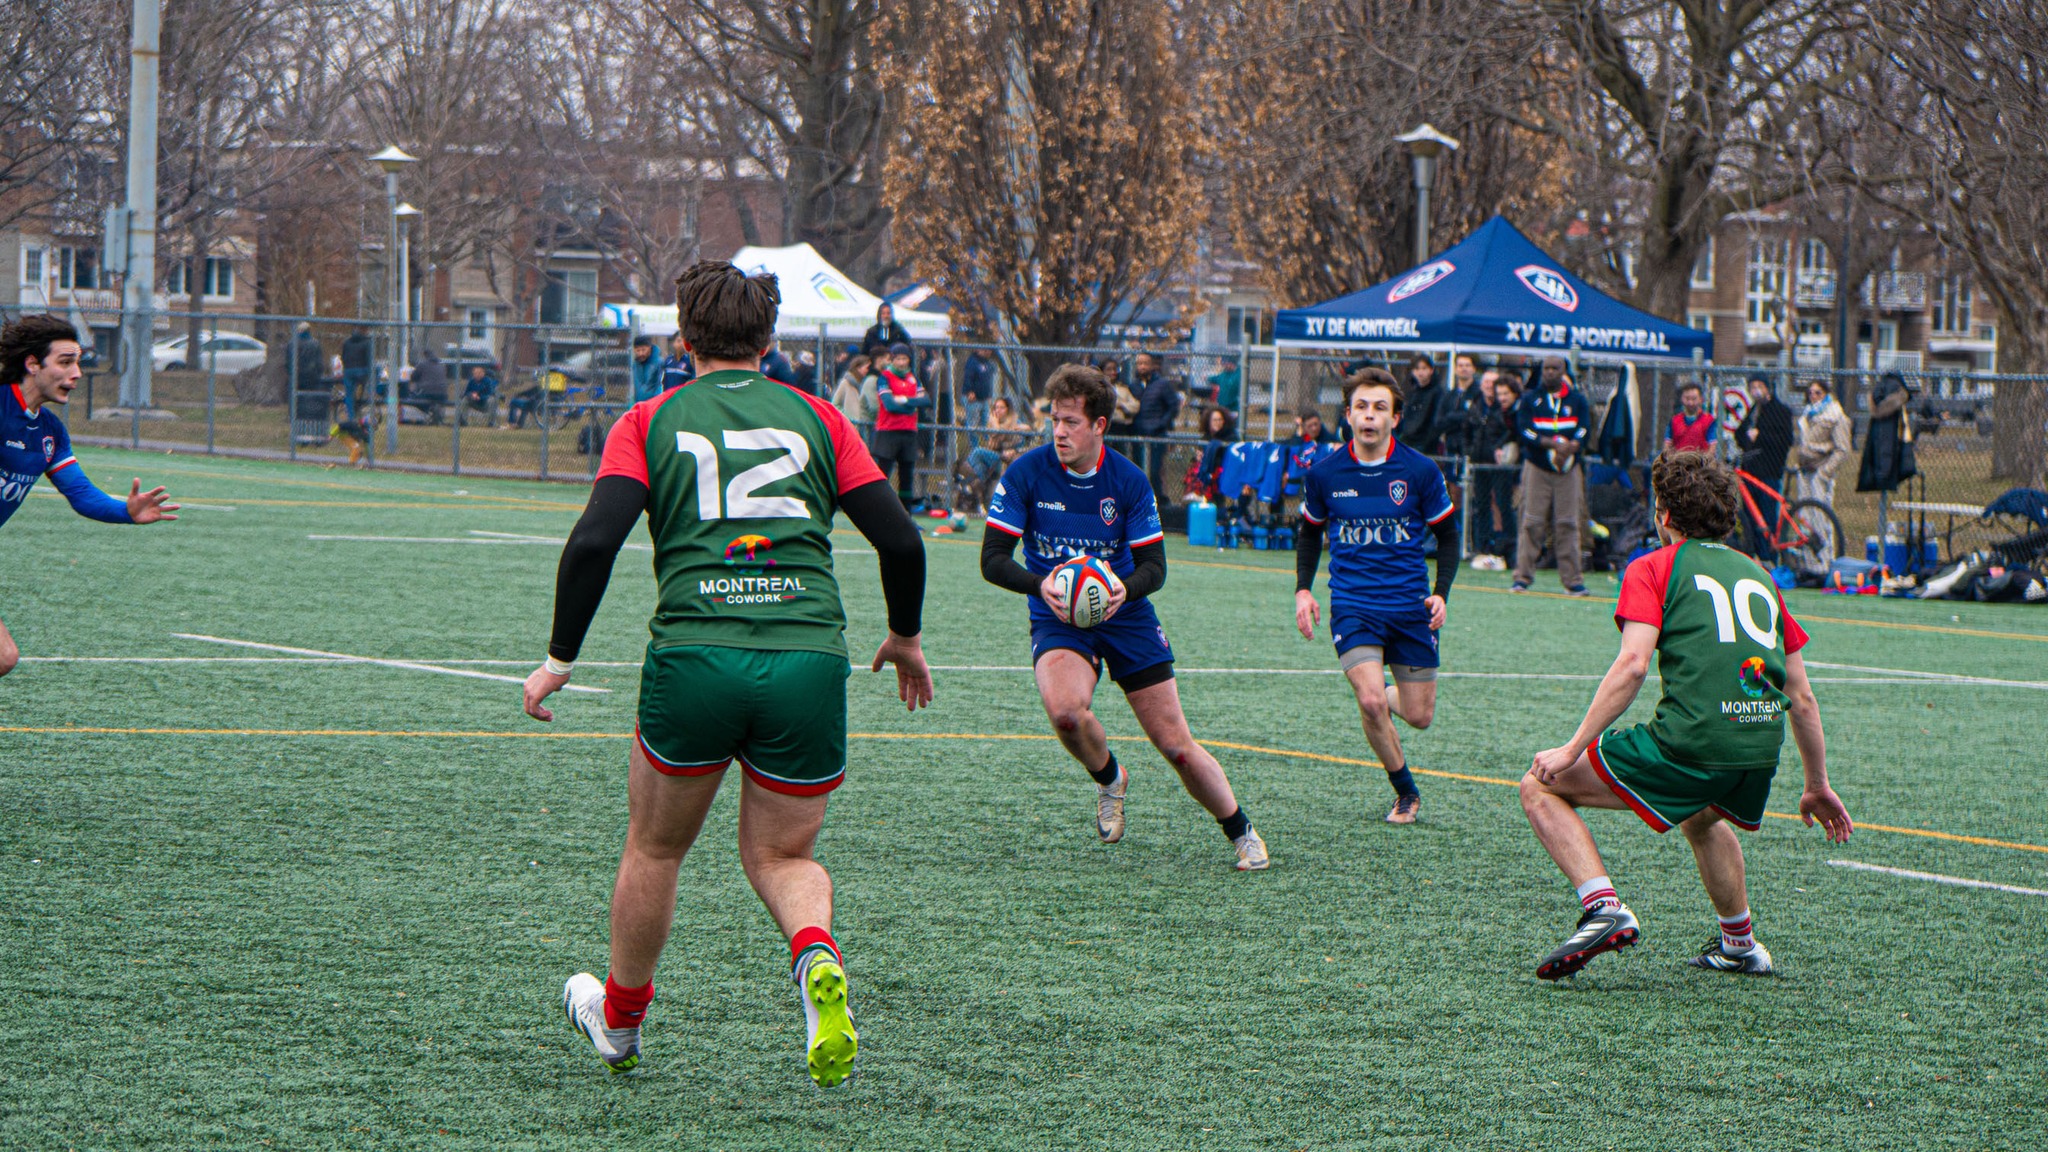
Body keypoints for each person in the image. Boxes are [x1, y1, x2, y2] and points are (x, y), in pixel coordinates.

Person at [528, 260, 933, 1086]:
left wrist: (560, 657)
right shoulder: (822, 418)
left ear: (683, 340)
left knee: (655, 847)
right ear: (771, 340)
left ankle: (621, 1024)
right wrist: (904, 636)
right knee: (783, 857)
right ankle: (814, 955)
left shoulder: (648, 418)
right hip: (808, 658)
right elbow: (900, 540)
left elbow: (595, 541)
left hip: (696, 656)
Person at [1518, 450, 1851, 980]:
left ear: (1664, 515)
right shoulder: (1759, 575)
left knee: (1539, 787)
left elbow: (1631, 665)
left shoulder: (1654, 567)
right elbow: (1802, 697)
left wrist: (1572, 747)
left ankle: (1603, 906)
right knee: (1702, 815)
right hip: (1758, 751)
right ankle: (1740, 944)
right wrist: (1816, 783)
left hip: (1694, 742)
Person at [980, 364, 1270, 871]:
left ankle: (1240, 828)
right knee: (1066, 713)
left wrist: (1122, 588)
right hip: (1058, 614)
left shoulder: (1129, 481)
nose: (1060, 430)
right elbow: (992, 559)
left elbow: (1155, 567)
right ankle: (1110, 777)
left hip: (1127, 614)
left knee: (1176, 746)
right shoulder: (1026, 473)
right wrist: (1039, 584)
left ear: (1099, 426)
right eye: (1055, 419)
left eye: (1072, 421)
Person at [1293, 368, 1459, 824]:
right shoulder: (1325, 474)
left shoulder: (1420, 471)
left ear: (1395, 418)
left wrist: (1442, 593)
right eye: (1362, 407)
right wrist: (1303, 589)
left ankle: (1388, 693)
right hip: (1353, 605)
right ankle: (1405, 790)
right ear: (1347, 415)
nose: (1370, 415)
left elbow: (1448, 536)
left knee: (1420, 716)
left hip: (1410, 608)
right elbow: (1308, 534)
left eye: (1380, 408)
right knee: (1368, 699)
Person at [0, 315, 180, 676]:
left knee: (4, 657)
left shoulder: (50, 431)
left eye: (78, 362)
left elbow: (81, 493)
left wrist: (125, 511)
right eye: (65, 362)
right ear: (32, 364)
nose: (77, 373)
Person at [1511, 357, 1591, 595]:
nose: (1550, 373)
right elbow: (1524, 430)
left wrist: (1571, 446)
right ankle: (1522, 578)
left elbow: (1585, 429)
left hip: (1568, 469)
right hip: (1537, 466)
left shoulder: (1577, 401)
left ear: (1564, 371)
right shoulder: (1530, 399)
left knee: (1568, 523)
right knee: (1531, 522)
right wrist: (1550, 444)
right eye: (1546, 368)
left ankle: (1573, 580)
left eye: (1555, 369)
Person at [1735, 374, 1795, 562]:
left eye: (1760, 386)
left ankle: (1768, 556)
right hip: (1750, 471)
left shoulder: (1780, 411)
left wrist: (1760, 436)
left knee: (1767, 516)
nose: (1756, 391)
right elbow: (1740, 434)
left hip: (1769, 470)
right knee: (1751, 517)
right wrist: (1748, 438)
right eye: (1752, 387)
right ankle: (1752, 556)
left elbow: (1784, 440)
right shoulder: (1754, 410)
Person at [871, 343, 928, 508]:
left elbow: (926, 400)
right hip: (888, 433)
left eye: (904, 358)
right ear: (892, 359)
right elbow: (890, 405)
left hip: (909, 433)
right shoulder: (885, 378)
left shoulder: (913, 378)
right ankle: (877, 510)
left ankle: (906, 517)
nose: (902, 362)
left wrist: (904, 400)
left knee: (906, 479)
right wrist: (911, 405)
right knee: (882, 476)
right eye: (898, 359)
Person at [1792, 378, 1852, 508]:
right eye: (1810, 393)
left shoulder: (1835, 415)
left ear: (1826, 394)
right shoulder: (1807, 414)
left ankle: (1822, 529)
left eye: (1818, 393)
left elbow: (1843, 449)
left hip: (1821, 470)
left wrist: (1825, 472)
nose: (1813, 396)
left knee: (1821, 512)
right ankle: (1805, 529)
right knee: (1804, 512)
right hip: (1805, 469)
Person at [1131, 351, 1183, 497]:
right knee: (1137, 471)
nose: (1142, 367)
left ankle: (1161, 501)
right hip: (1138, 433)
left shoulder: (1162, 384)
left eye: (1145, 363)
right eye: (1139, 363)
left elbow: (1173, 406)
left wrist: (1161, 423)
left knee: (1155, 471)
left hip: (1157, 434)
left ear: (1152, 365)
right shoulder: (1134, 386)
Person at [1395, 353, 1453, 456]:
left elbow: (1436, 422)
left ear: (1431, 370)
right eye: (1417, 369)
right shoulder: (1411, 391)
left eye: (1424, 368)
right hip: (1408, 442)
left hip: (1426, 447)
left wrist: (1426, 444)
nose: (1420, 373)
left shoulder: (1438, 393)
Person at [1663, 382, 1718, 454]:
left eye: (1694, 399)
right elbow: (1667, 445)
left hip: (1699, 463)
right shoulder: (1675, 420)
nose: (1690, 403)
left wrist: (1704, 462)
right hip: (1679, 462)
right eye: (1687, 398)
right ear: (1681, 399)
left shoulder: (1708, 421)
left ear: (1701, 399)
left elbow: (1712, 447)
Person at [961, 347, 996, 444]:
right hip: (974, 399)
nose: (988, 351)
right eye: (985, 349)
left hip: (984, 398)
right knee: (972, 423)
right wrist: (969, 391)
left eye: (989, 349)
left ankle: (987, 443)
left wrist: (989, 395)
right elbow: (968, 377)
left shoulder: (987, 363)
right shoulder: (973, 362)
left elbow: (988, 380)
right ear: (977, 349)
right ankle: (974, 446)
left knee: (986, 421)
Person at [339, 326, 375, 420]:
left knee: (349, 395)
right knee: (377, 371)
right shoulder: (367, 342)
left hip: (349, 370)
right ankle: (370, 392)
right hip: (362, 370)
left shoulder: (347, 342)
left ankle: (351, 417)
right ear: (364, 331)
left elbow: (343, 357)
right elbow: (369, 359)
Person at [831, 354, 871, 426]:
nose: (869, 371)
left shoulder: (867, 383)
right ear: (858, 368)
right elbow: (835, 404)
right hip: (851, 426)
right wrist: (847, 417)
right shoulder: (846, 383)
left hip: (863, 426)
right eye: (867, 368)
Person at [629, 336, 667, 404]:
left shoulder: (658, 363)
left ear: (649, 348)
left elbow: (661, 385)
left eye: (643, 350)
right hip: (639, 404)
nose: (641, 353)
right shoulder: (636, 364)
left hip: (654, 404)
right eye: (638, 350)